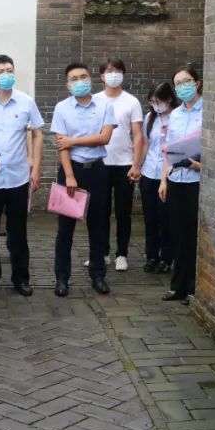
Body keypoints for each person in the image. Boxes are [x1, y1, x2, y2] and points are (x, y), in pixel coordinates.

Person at [0, 54, 43, 297]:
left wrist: (36, 167)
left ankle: (21, 278)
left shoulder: (25, 102)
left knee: (18, 232)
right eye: (0, 72)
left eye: (9, 70)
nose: (5, 75)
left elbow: (37, 134)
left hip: (17, 178)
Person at [50, 63, 115, 297]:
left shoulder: (105, 106)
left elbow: (104, 138)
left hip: (97, 170)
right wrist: (69, 176)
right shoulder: (61, 108)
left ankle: (98, 275)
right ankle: (62, 278)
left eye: (83, 76)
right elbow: (61, 145)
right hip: (71, 171)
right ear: (68, 84)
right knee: (65, 229)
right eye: (74, 78)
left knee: (97, 226)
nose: (80, 81)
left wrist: (73, 141)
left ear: (91, 79)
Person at [159, 65, 202, 306]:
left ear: (197, 83)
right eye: (178, 84)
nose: (182, 87)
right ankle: (177, 286)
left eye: (187, 81)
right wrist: (164, 180)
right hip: (176, 179)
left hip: (196, 180)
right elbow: (168, 150)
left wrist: (198, 165)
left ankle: (192, 288)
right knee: (177, 234)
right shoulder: (174, 115)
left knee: (192, 234)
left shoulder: (208, 111)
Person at [95, 59, 144, 272]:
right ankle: (102, 253)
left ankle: (122, 254)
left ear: (123, 74)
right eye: (109, 71)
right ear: (101, 76)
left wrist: (136, 164)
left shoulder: (131, 101)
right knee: (100, 211)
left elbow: (138, 135)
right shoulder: (95, 100)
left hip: (124, 164)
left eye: (117, 71)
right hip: (100, 163)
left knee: (123, 213)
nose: (113, 74)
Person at [138, 82, 178, 273]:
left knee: (166, 218)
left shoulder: (177, 117)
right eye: (152, 102)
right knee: (150, 217)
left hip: (168, 174)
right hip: (149, 172)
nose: (155, 105)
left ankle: (166, 257)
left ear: (168, 99)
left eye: (158, 101)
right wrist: (137, 166)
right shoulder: (150, 118)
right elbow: (145, 143)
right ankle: (151, 255)